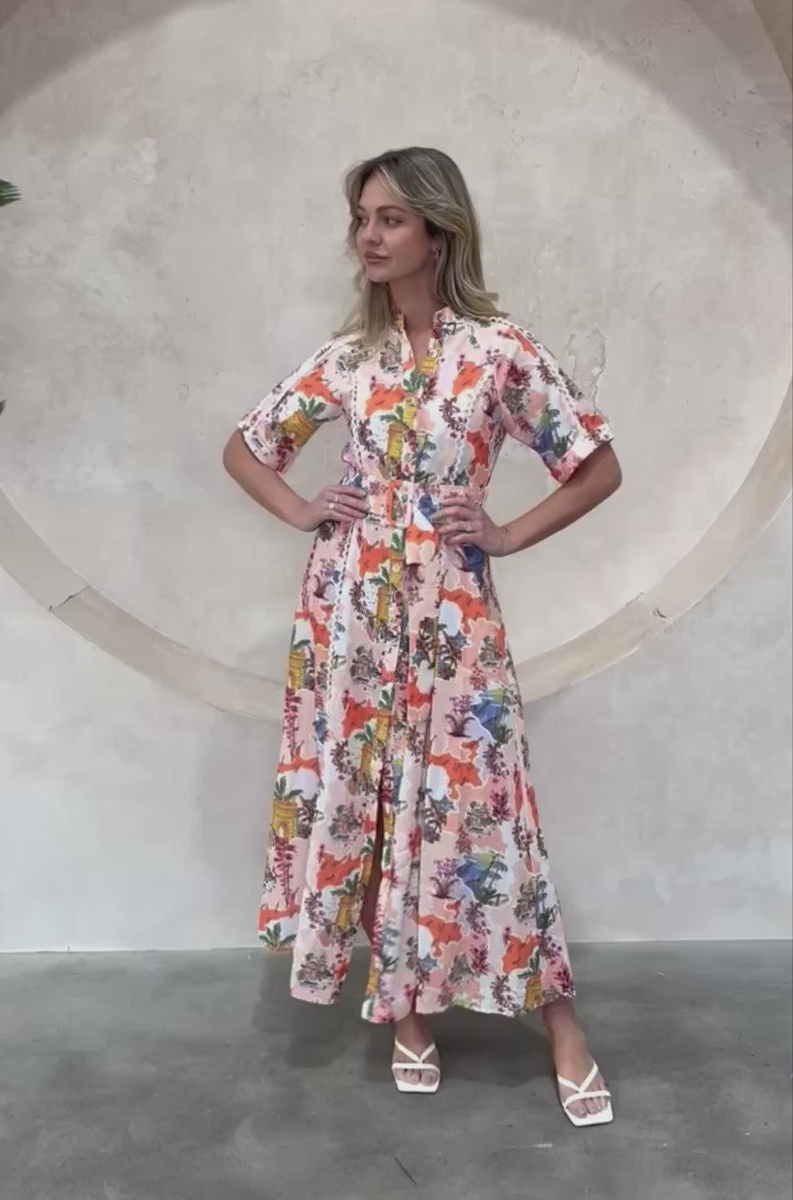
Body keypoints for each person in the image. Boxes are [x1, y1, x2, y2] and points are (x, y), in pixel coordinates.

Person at [223, 146, 622, 1125]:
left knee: (485, 808)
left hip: (451, 611)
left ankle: (562, 1027)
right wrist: (303, 510)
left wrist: (506, 533)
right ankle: (405, 1011)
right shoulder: (347, 357)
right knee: (375, 803)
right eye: (362, 218)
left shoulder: (498, 351)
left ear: (439, 233)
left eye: (390, 218)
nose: (368, 235)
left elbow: (595, 466)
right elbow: (246, 448)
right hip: (350, 611)